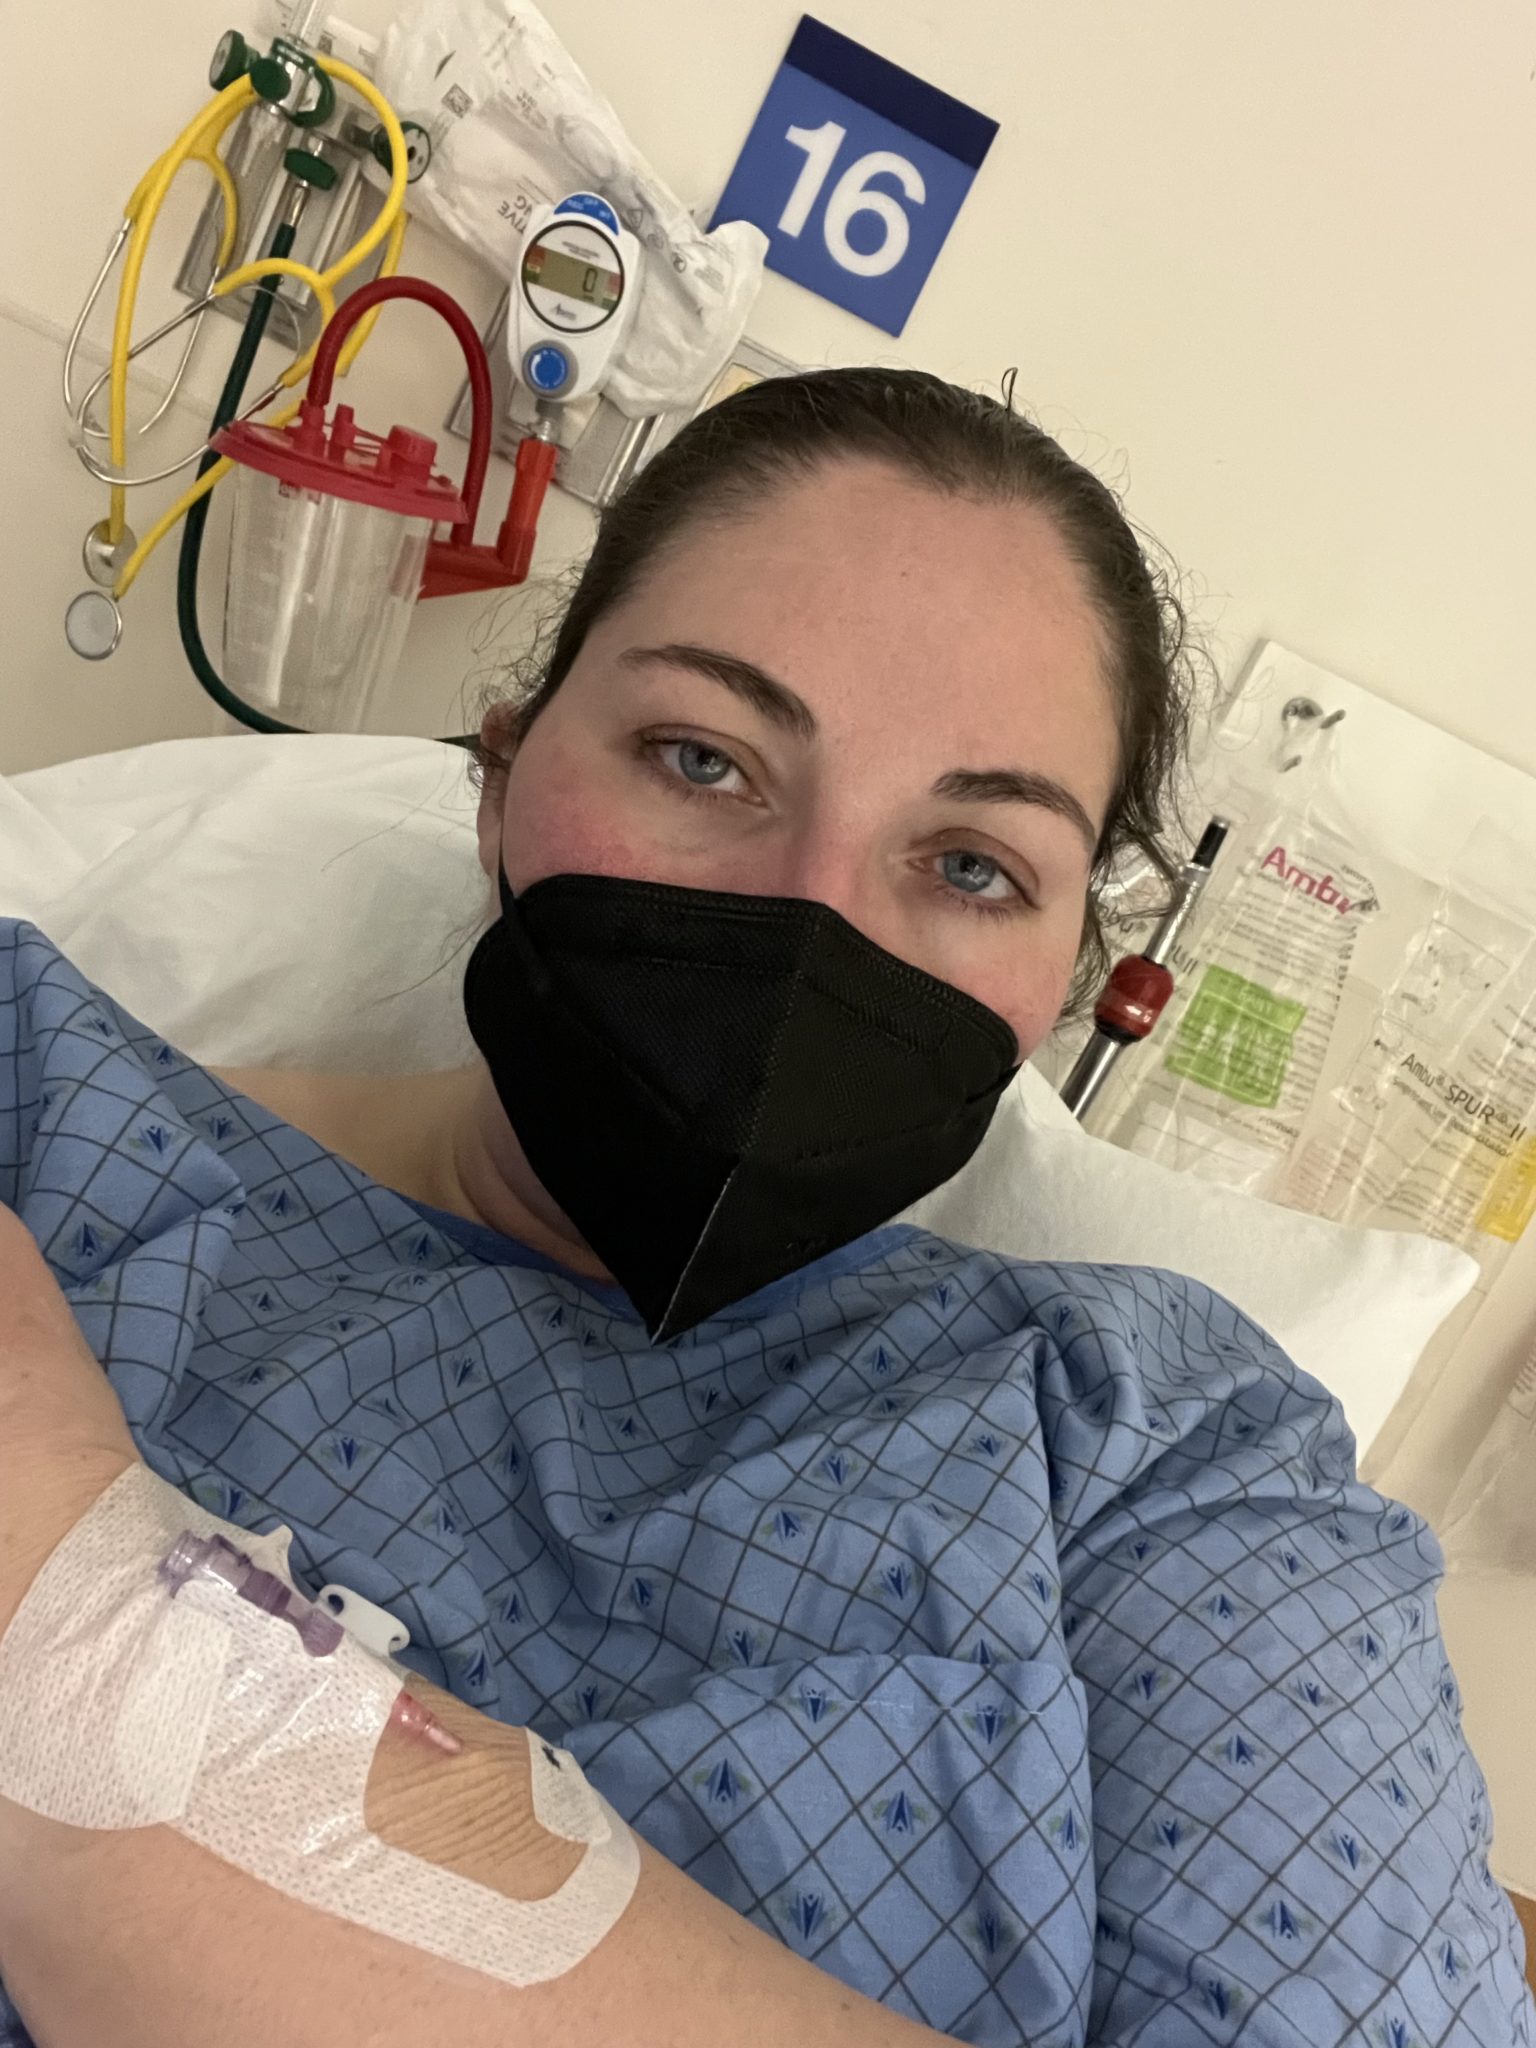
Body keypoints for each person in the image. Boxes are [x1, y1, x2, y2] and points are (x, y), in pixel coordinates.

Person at [0, 370, 1528, 2048]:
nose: (809, 927)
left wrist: (81, 1621)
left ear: (1063, 983)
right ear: (501, 776)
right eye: (704, 759)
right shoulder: (42, 1108)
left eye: (971, 865)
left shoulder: (1158, 1445)